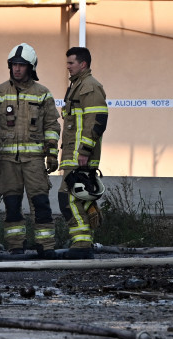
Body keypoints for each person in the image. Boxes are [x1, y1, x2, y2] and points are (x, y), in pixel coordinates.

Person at [0, 43, 61, 256]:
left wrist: (52, 153)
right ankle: (16, 245)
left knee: (40, 203)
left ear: (31, 67)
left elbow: (52, 125)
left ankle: (46, 246)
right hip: (7, 160)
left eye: (21, 65)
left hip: (34, 160)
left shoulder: (43, 94)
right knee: (12, 204)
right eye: (14, 65)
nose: (17, 69)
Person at [56, 46, 109, 260]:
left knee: (67, 198)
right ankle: (90, 213)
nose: (67, 67)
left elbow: (97, 120)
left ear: (83, 64)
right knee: (79, 196)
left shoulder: (89, 87)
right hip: (74, 154)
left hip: (80, 155)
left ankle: (82, 243)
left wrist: (85, 150)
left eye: (71, 63)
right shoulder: (78, 86)